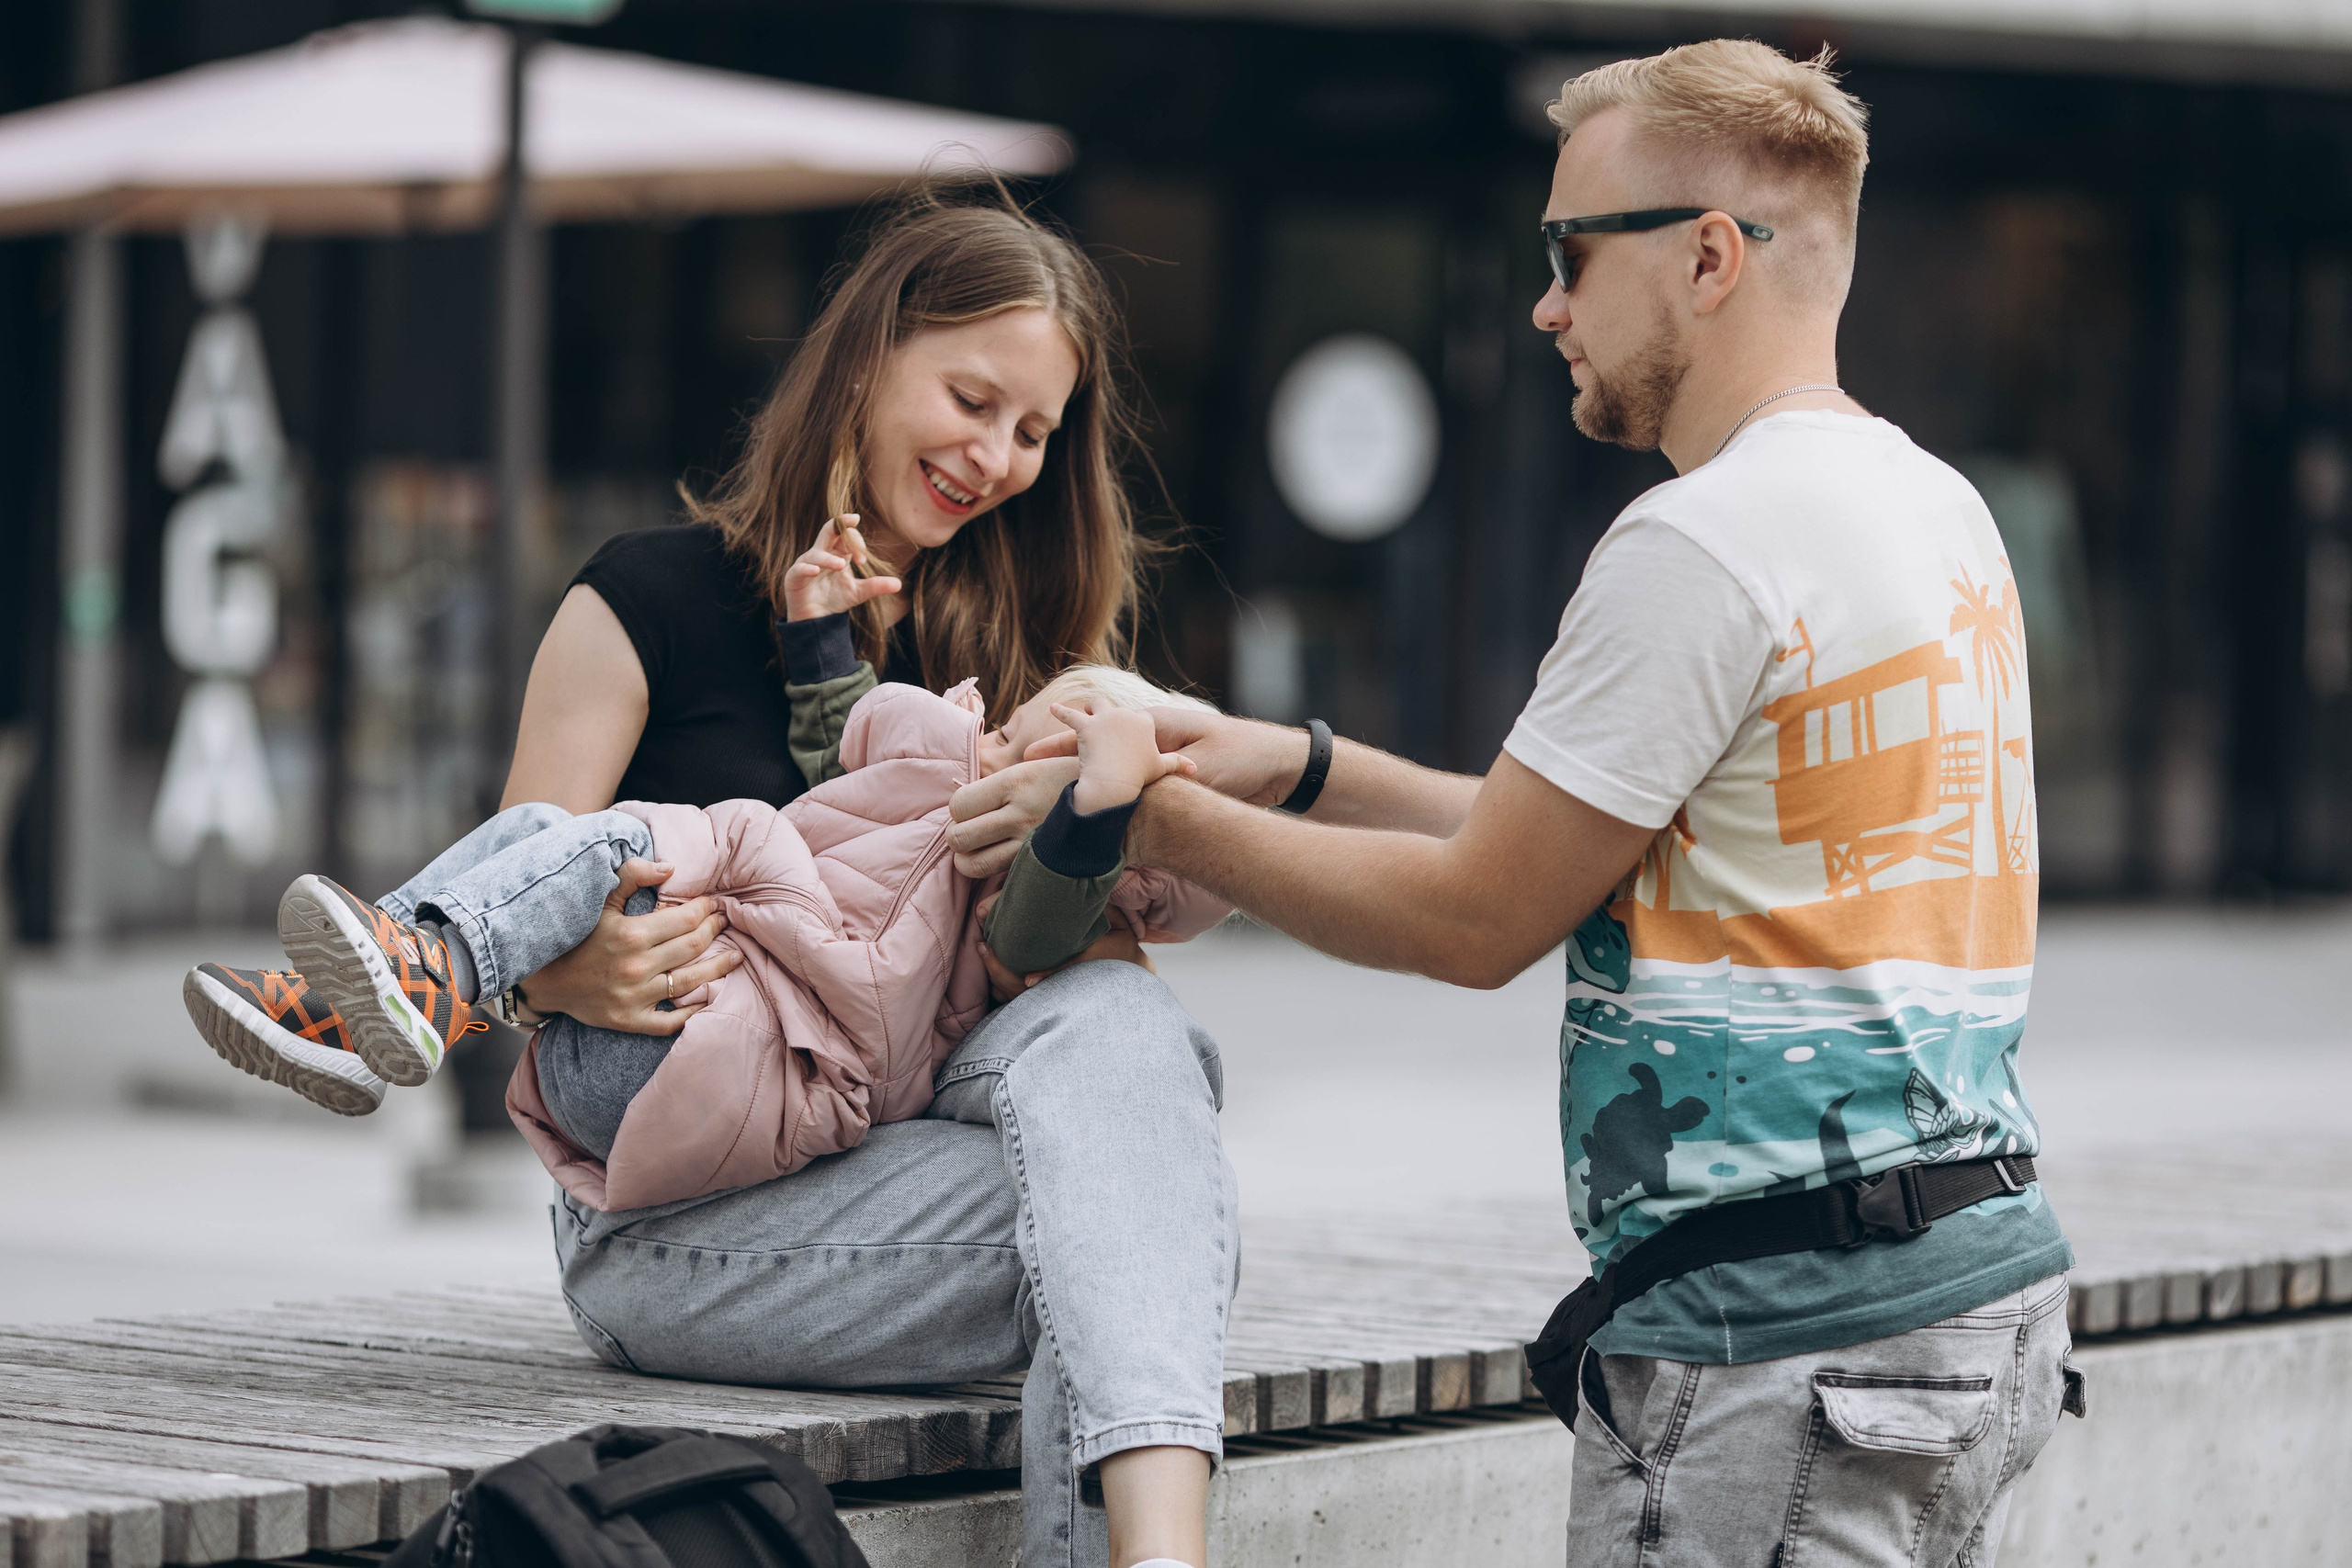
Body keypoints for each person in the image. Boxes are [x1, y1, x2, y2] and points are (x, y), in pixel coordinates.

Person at [953, 41, 2078, 1565]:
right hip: (1974, 1299)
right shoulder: (1934, 508)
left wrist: (1150, 816)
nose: (1544, 306)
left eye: (1570, 253)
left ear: (1708, 256)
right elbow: (1575, 839)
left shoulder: (1705, 540)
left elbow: (1479, 917)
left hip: (1782, 1348)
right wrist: (1289, 762)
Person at [178, 184, 1236, 1568]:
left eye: (1034, 432)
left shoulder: (1030, 683)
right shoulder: (646, 600)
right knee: (1144, 1227)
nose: (994, 457)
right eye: (971, 400)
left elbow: (1082, 1023)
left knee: (1136, 1090)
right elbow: (523, 877)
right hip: (679, 1222)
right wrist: (567, 976)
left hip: (895, 1157)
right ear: (867, 361)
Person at [255, 663, 1224, 1216]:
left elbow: (1044, 910)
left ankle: (423, 976)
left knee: (635, 839)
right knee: (545, 831)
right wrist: (822, 638)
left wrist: (1100, 805)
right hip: (656, 1049)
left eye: (1056, 754)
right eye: (1017, 731)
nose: (1002, 749)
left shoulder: (1010, 894)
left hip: (713, 1053)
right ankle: (348, 1014)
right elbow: (845, 744)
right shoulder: (940, 768)